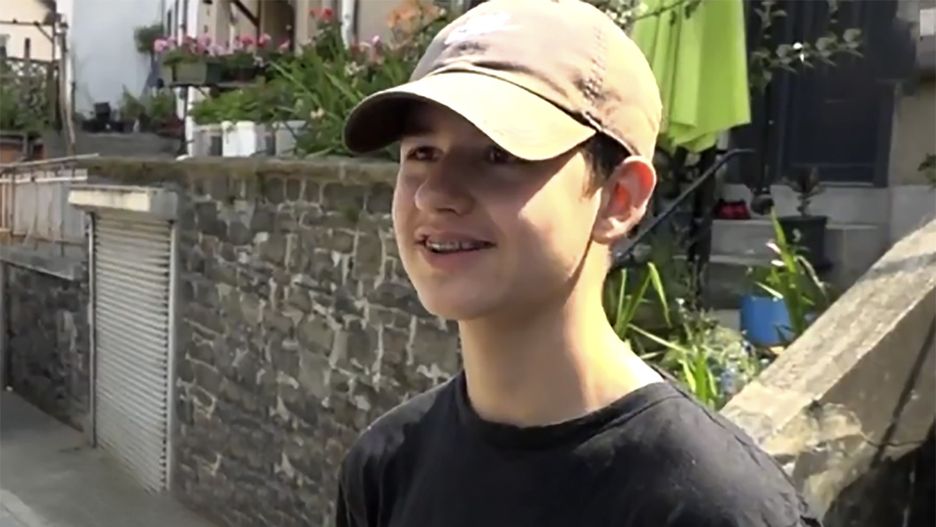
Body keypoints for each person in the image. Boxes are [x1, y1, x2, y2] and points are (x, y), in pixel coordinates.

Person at [336, 0, 820, 525]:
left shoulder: (715, 508)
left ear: (619, 199)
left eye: (500, 154)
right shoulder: (385, 468)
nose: (434, 194)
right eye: (422, 153)